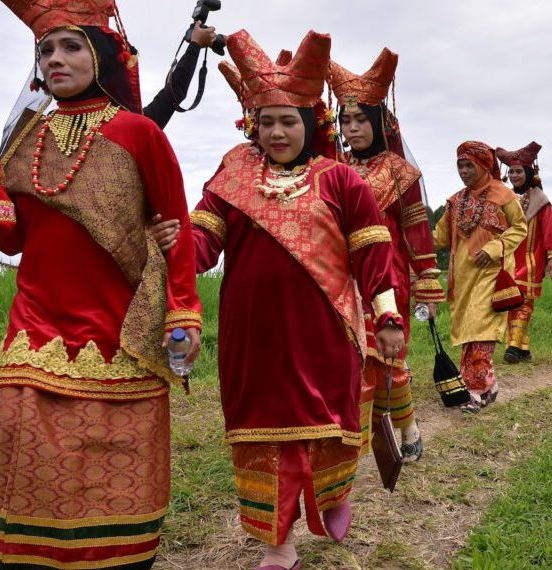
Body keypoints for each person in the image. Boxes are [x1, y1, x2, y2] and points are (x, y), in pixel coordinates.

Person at [0, 2, 202, 567]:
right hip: (34, 328)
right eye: (46, 51)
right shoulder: (26, 137)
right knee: (30, 460)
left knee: (111, 465)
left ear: (101, 55)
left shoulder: (140, 133)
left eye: (71, 47)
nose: (55, 60)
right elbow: (15, 238)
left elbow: (177, 231)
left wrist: (184, 312)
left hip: (118, 326)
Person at [191, 30, 404, 568]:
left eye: (289, 121)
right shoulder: (232, 175)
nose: (277, 131)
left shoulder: (340, 181)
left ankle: (332, 494)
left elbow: (373, 255)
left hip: (325, 328)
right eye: (267, 122)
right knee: (261, 436)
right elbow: (204, 241)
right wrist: (168, 242)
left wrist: (387, 316)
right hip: (251, 334)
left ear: (313, 123)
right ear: (252, 125)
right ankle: (278, 541)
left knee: (327, 426)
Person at [329, 47, 441, 463]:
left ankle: (408, 424)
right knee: (348, 356)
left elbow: (416, 229)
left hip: (387, 273)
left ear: (379, 122)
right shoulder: (332, 166)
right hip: (342, 273)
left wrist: (427, 283)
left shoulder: (399, 171)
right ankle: (355, 437)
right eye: (345, 119)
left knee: (387, 353)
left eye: (361, 119)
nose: (352, 127)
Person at [433, 141, 527, 411]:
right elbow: (439, 236)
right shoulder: (456, 200)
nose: (463, 171)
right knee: (468, 332)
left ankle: (477, 390)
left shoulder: (503, 194)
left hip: (491, 274)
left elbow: (520, 228)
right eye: (460, 166)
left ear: (485, 166)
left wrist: (496, 246)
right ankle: (483, 386)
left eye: (469, 165)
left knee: (481, 328)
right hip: (462, 278)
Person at [494, 141, 552, 364]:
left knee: (524, 301)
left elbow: (549, 230)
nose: (513, 175)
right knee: (512, 300)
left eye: (518, 171)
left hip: (532, 258)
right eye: (510, 171)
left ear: (529, 172)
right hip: (509, 258)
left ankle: (512, 346)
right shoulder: (504, 199)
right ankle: (522, 347)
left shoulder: (541, 201)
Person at [143, 21, 219, 128]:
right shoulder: (133, 125)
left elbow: (173, 93)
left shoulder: (126, 121)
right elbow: (174, 92)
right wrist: (195, 44)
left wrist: (195, 44)